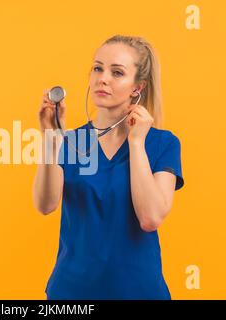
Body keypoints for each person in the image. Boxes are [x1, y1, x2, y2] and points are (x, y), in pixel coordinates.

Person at [32, 34, 184, 300]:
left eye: (117, 72)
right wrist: (51, 137)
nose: (103, 78)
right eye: (98, 68)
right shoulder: (72, 142)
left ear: (138, 87)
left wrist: (136, 144)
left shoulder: (163, 143)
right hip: (72, 293)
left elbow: (150, 218)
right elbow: (45, 205)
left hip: (139, 292)